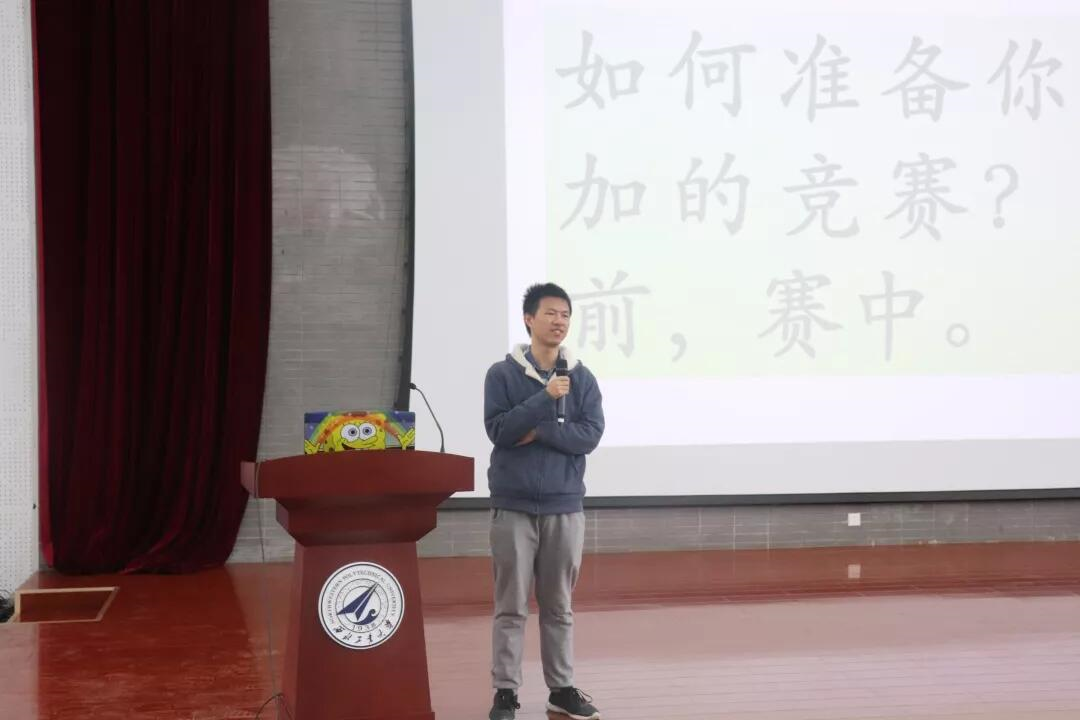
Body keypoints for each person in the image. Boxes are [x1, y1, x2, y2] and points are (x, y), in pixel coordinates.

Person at [483, 283, 605, 720]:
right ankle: (505, 692)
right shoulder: (502, 374)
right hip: (513, 506)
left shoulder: (583, 378)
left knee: (558, 607)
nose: (559, 321)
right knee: (510, 606)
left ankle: (562, 689)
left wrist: (541, 430)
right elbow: (500, 431)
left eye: (566, 315)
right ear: (529, 319)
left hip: (564, 506)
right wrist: (545, 398)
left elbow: (589, 435)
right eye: (551, 313)